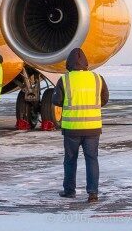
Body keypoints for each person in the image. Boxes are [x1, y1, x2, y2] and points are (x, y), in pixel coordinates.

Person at [53, 48, 109, 203]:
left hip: (72, 128)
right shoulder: (98, 78)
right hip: (93, 128)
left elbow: (56, 101)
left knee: (70, 159)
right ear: (85, 63)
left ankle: (69, 191)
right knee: (92, 159)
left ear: (69, 63)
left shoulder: (65, 80)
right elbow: (104, 99)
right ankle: (93, 194)